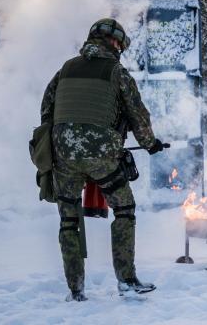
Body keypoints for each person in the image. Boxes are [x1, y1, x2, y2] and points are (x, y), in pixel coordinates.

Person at [39, 18, 165, 301]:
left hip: (64, 155)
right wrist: (150, 144)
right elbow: (138, 115)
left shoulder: (65, 69)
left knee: (68, 220)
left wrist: (63, 143)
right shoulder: (117, 72)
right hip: (102, 156)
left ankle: (76, 289)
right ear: (113, 42)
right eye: (120, 43)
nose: (121, 48)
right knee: (124, 208)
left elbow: (46, 110)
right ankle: (127, 280)